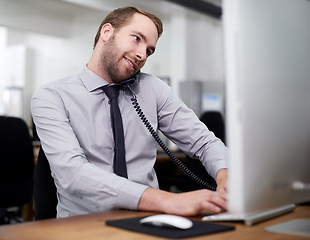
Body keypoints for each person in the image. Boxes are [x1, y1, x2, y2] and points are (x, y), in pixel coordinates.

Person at [31, 6, 228, 218]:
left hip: (148, 220)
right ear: (107, 32)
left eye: (150, 50)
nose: (142, 54)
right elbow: (72, 174)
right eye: (136, 38)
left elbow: (205, 142)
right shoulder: (51, 96)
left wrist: (226, 175)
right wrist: (168, 200)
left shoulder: (153, 88)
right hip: (85, 224)